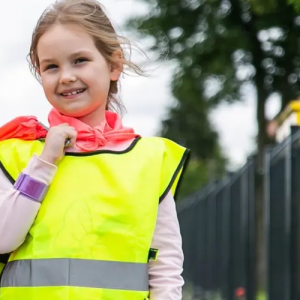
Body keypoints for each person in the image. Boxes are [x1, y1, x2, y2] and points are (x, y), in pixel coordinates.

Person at [0, 0, 189, 299]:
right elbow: (3, 239)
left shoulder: (149, 161)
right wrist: (45, 162)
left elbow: (165, 266)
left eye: (79, 60)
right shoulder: (15, 155)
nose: (65, 76)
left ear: (114, 65)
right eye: (51, 66)